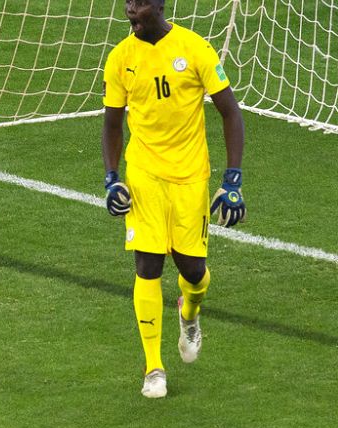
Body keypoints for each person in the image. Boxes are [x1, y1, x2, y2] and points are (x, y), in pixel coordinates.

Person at [101, 0, 246, 398]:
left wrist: (232, 179)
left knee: (193, 271)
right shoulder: (120, 58)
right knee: (147, 265)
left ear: (160, 5)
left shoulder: (195, 48)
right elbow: (112, 124)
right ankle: (153, 368)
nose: (132, 10)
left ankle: (190, 313)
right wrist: (112, 179)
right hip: (144, 174)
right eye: (129, 3)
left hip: (190, 177)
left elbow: (231, 113)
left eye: (140, 3)